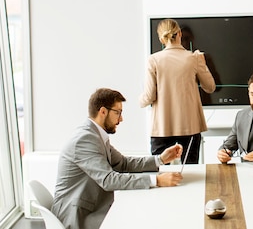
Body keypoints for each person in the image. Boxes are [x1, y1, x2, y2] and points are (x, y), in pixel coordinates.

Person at [51, 88, 183, 229]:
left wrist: (160, 159)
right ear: (103, 111)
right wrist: (156, 180)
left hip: (91, 207)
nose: (121, 118)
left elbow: (123, 164)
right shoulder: (85, 139)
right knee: (138, 219)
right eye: (118, 112)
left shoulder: (95, 135)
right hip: (78, 216)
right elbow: (108, 180)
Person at [140, 18, 216, 164]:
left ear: (161, 39)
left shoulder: (153, 60)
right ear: (179, 33)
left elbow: (149, 96)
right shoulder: (194, 58)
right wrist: (202, 63)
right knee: (191, 172)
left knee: (161, 172)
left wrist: (139, 100)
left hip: (162, 126)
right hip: (190, 127)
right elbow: (210, 87)